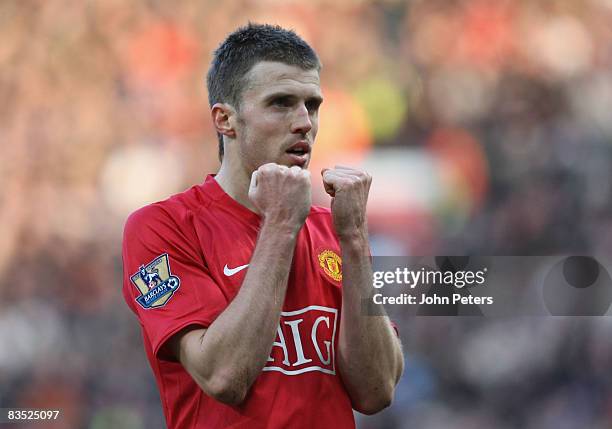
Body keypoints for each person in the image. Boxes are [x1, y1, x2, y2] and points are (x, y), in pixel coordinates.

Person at [122, 23, 404, 429]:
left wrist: (355, 241)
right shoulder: (163, 228)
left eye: (313, 105)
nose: (304, 121)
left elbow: (377, 391)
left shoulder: (336, 230)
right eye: (281, 103)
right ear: (225, 120)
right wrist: (281, 225)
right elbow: (223, 376)